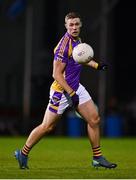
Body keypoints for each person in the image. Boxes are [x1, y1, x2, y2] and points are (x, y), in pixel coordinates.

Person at [15, 12, 117, 169]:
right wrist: (71, 93)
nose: (74, 27)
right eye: (71, 25)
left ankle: (97, 158)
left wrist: (97, 65)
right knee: (47, 126)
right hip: (61, 91)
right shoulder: (63, 46)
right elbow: (56, 74)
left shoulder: (78, 41)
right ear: (66, 26)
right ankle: (23, 153)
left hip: (75, 87)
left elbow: (82, 59)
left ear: (80, 25)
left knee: (94, 119)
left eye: (76, 24)